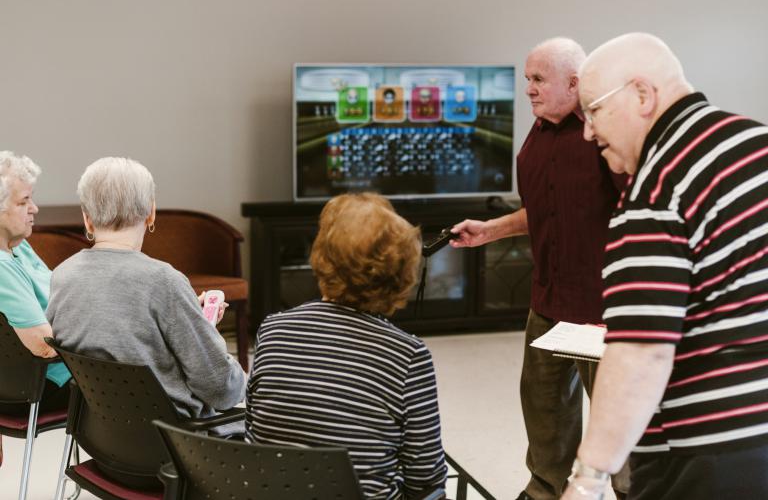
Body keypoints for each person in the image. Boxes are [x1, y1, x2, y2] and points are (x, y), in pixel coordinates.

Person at [562, 32, 768, 500]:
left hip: (709, 454)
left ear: (642, 95)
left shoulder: (657, 194)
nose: (589, 132)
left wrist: (588, 478)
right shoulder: (756, 143)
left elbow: (641, 352)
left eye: (593, 111)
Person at [449, 38, 627, 500]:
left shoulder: (604, 131)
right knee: (545, 412)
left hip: (603, 308)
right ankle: (547, 489)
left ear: (574, 82)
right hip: (547, 301)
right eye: (526, 78)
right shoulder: (538, 132)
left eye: (538, 79)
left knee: (618, 424)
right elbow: (547, 210)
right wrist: (492, 230)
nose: (528, 88)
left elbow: (641, 211)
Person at [47, 157, 246, 485]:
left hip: (103, 449)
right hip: (175, 457)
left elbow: (118, 340)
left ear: (87, 219)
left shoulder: (62, 276)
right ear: (151, 212)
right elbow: (220, 389)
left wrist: (192, 324)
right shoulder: (164, 282)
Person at [245, 192, 447, 499]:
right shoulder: (407, 356)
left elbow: (255, 434)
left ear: (323, 256)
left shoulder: (273, 329)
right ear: (404, 271)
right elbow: (425, 478)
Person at [0, 151, 71, 467]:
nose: (34, 208)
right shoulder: (2, 266)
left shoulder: (17, 245)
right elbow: (44, 346)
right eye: (23, 201)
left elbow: (59, 294)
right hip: (37, 386)